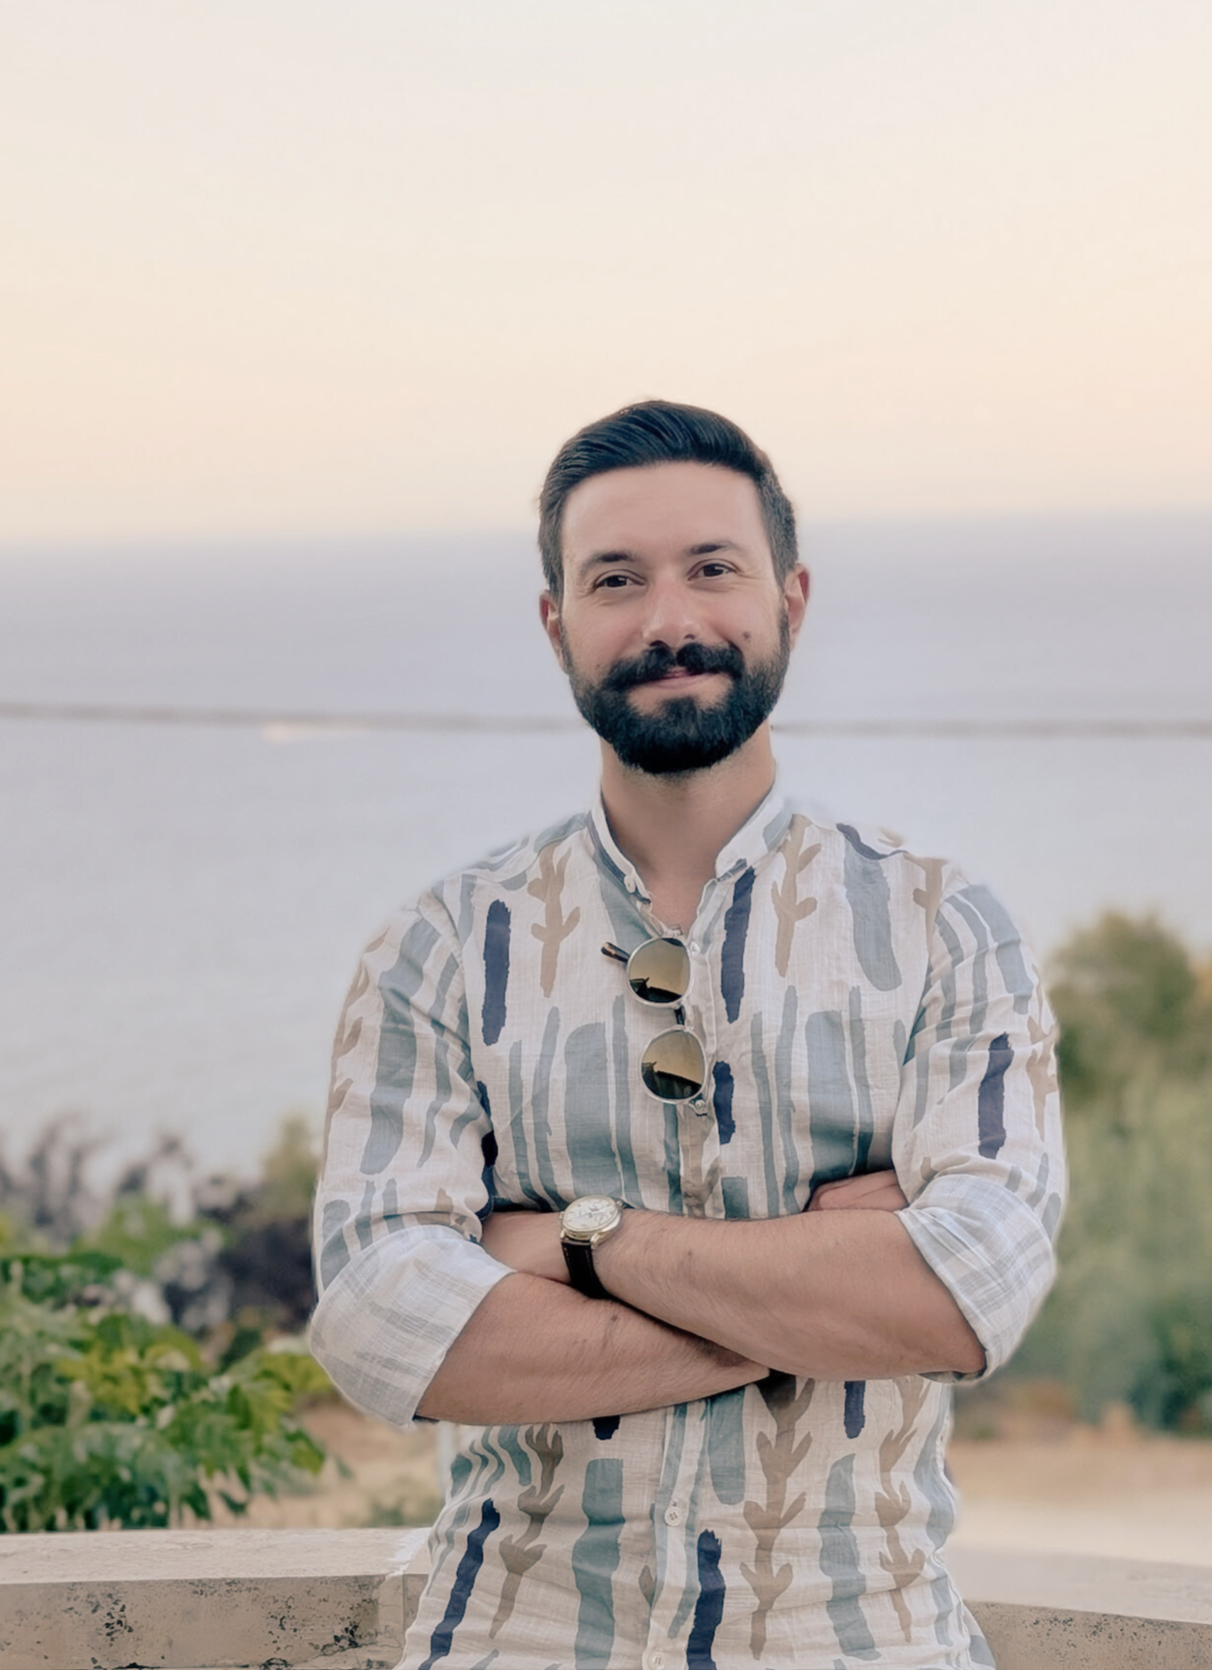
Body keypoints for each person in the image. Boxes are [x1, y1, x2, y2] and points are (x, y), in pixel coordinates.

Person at [310, 400, 1064, 1670]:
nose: (670, 621)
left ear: (791, 597)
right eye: (617, 580)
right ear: (557, 624)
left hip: (863, 1637)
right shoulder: (436, 947)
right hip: (513, 1637)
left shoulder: (949, 928)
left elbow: (960, 1296)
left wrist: (574, 1243)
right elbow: (383, 1326)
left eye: (713, 568)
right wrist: (815, 1297)